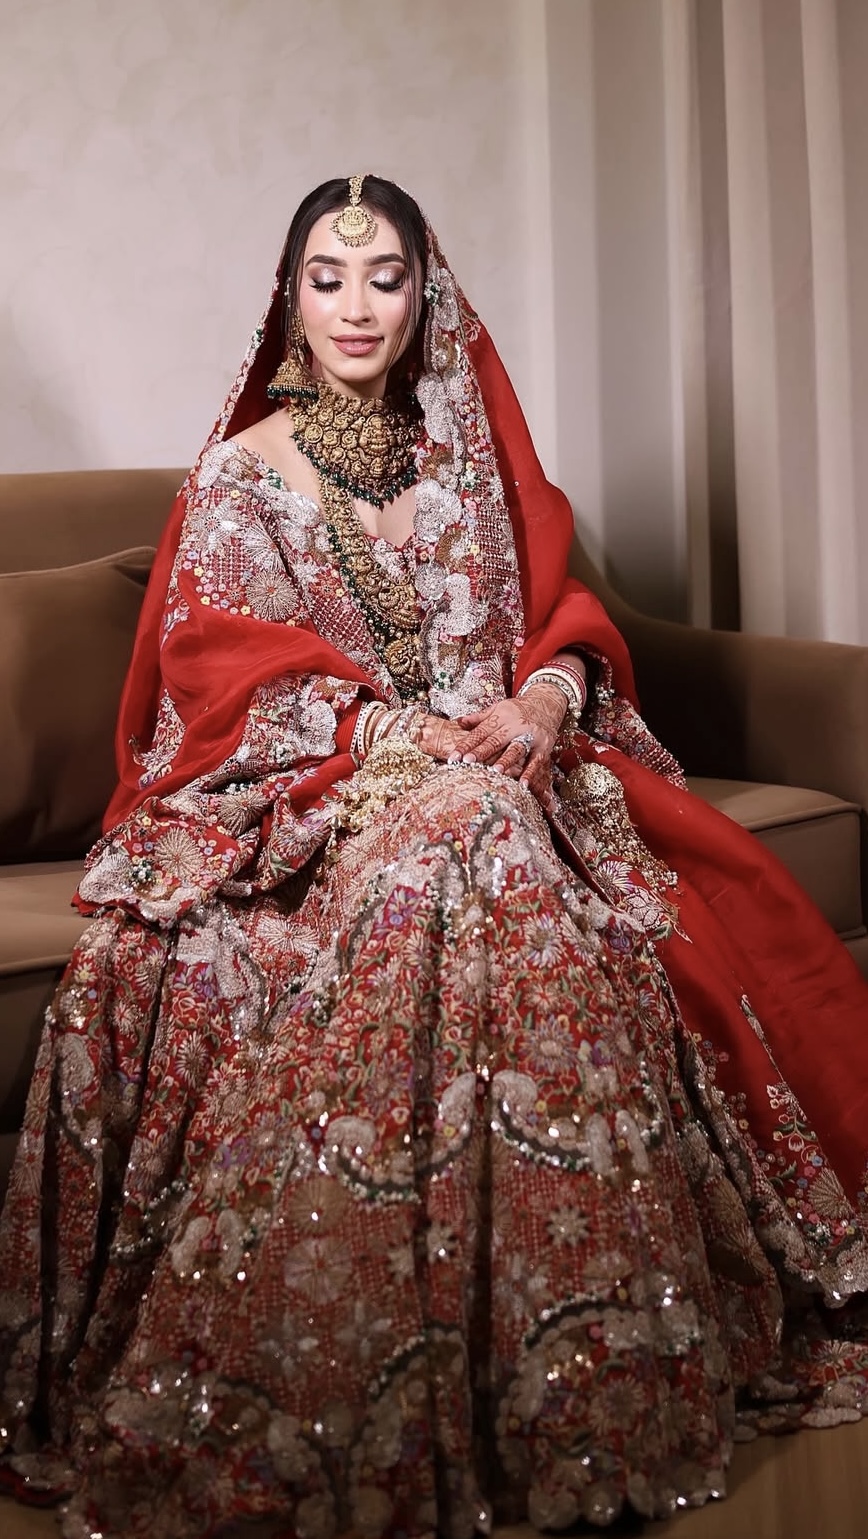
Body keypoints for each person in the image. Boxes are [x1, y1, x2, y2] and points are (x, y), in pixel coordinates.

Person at [2, 174, 868, 1539]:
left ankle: (563, 1372)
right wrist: (395, 735)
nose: (357, 304)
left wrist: (545, 706)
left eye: (386, 275)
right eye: (328, 277)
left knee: (493, 826)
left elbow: (567, 617)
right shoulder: (241, 480)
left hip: (504, 773)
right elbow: (220, 677)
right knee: (468, 830)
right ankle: (375, 1373)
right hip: (319, 798)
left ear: (428, 297)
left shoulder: (467, 461)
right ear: (290, 298)